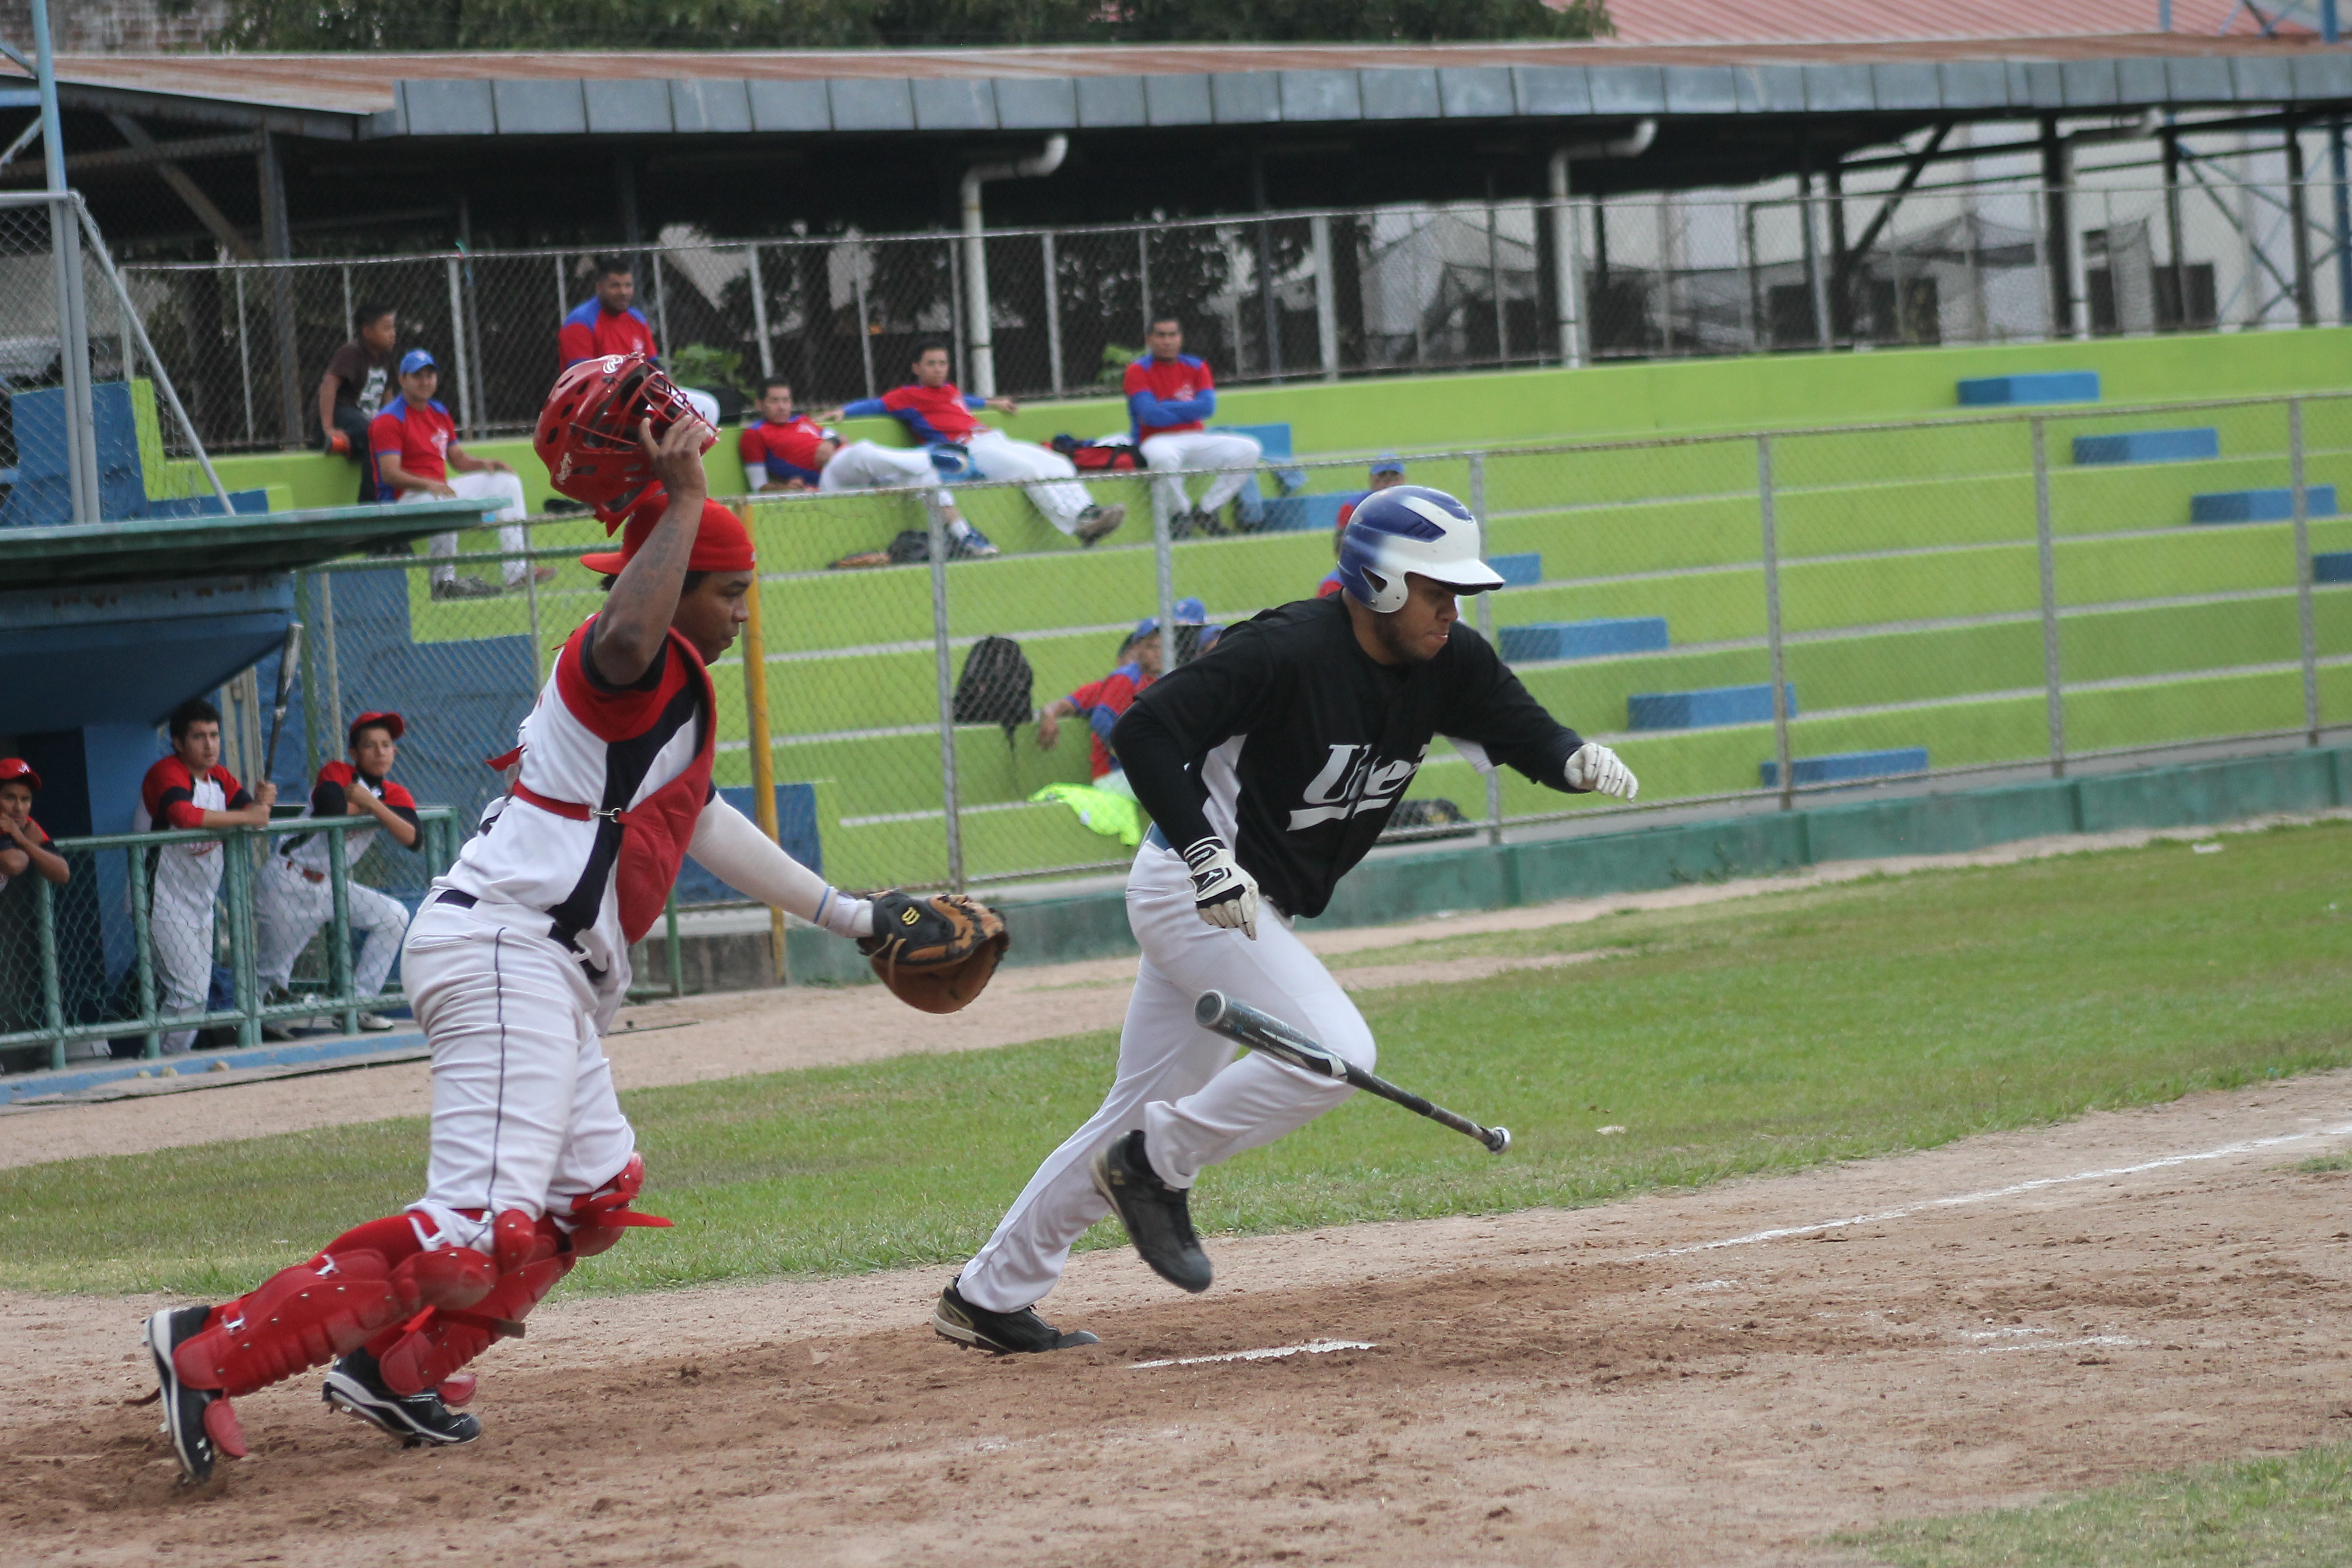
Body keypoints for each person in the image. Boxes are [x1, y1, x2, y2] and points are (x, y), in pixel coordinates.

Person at [143, 355, 1008, 1487]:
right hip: (505, 950)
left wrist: (848, 914)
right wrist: (686, 500)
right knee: (472, 1229)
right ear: (673, 584)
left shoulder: (666, 702)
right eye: (726, 592)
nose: (738, 612)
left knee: (591, 1195)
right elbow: (624, 638)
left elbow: (703, 821)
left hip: (541, 968)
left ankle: (398, 1368)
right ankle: (206, 1349)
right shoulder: (620, 665)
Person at [933, 486, 1639, 1354]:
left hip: (1251, 907)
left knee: (1142, 1104)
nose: (1452, 612)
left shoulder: (1447, 661)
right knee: (1334, 1054)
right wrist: (1205, 853)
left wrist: (1573, 758)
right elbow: (1146, 730)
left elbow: (1520, 727)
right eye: (1437, 591)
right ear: (1379, 581)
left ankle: (988, 1294)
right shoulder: (1285, 649)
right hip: (1196, 890)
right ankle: (1153, 1166)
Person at [829, 341, 1126, 546]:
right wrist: (844, 412)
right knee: (1027, 470)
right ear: (916, 368)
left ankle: (1089, 512)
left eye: (943, 363)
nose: (938, 369)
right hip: (968, 448)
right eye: (931, 364)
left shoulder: (949, 390)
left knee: (1056, 461)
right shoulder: (907, 396)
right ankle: (1077, 525)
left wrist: (989, 403)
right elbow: (876, 405)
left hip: (992, 438)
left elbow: (963, 401)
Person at [253, 712, 422, 1037]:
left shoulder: (394, 793)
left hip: (331, 887)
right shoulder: (337, 772)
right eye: (370, 746)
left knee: (393, 917)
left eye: (386, 745)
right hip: (289, 880)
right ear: (355, 753)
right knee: (271, 977)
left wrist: (372, 805)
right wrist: (380, 811)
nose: (380, 752)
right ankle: (250, 1033)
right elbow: (332, 807)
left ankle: (358, 1006)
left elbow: (413, 838)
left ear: (395, 752)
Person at [135, 700, 278, 1055]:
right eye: (199, 737)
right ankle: (159, 1063)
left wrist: (263, 804)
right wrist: (249, 816)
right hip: (159, 900)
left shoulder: (220, 778)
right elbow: (183, 815)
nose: (210, 744)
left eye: (214, 735)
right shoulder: (166, 771)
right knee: (190, 993)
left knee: (193, 996)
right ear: (178, 742)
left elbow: (251, 813)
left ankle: (165, 1061)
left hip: (201, 904)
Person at [739, 377, 997, 557]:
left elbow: (838, 437)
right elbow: (758, 486)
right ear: (760, 404)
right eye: (774, 401)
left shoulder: (802, 421)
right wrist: (787, 488)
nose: (782, 407)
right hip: (830, 478)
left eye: (786, 400)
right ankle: (929, 456)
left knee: (921, 476)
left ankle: (965, 536)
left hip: (853, 467)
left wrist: (830, 442)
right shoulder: (755, 434)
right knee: (862, 451)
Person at [372, 349, 547, 602]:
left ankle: (517, 572)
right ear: (402, 380)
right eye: (417, 376)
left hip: (437, 490)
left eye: (430, 376)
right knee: (446, 501)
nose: (425, 382)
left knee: (506, 483)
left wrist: (485, 463)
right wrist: (429, 485)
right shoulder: (389, 418)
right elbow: (390, 474)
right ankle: (443, 583)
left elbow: (458, 460)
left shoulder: (438, 411)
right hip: (404, 499)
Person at [1035, 598, 1208, 797]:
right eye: (1152, 647)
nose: (1159, 653)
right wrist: (1135, 756)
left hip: (1142, 771)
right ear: (1137, 649)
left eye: (1163, 647)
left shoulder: (1163, 680)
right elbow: (1101, 721)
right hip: (1116, 775)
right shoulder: (1125, 679)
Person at [1124, 317, 1262, 538]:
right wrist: (1188, 409)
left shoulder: (1197, 366)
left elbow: (1207, 408)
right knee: (1162, 458)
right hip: (1156, 440)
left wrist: (1165, 405)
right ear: (1149, 340)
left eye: (1173, 335)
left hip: (1196, 437)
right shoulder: (1138, 370)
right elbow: (1150, 416)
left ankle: (1207, 511)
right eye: (1161, 335)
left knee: (1249, 449)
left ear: (1181, 339)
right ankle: (1181, 514)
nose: (1167, 341)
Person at [318, 302, 398, 504]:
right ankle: (369, 504)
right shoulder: (352, 353)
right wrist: (328, 428)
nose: (393, 334)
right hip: (341, 412)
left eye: (393, 328)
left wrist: (393, 423)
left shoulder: (386, 357)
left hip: (364, 421)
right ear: (367, 332)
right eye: (386, 329)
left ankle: (355, 448)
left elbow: (388, 394)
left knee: (388, 435)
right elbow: (328, 385)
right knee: (373, 434)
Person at [1317, 456, 1409, 597]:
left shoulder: (1412, 507)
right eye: (1383, 479)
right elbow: (1341, 544)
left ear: (1403, 480)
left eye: (1394, 479)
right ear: (1372, 480)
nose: (1389, 484)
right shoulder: (1353, 507)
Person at [558, 256, 658, 369]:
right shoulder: (580, 322)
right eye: (615, 286)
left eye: (628, 286)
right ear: (599, 288)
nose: (623, 292)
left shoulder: (638, 319)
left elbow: (653, 366)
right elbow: (582, 375)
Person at [0, 757, 68, 895]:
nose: (18, 808)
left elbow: (63, 874)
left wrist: (24, 842)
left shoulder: (25, 823)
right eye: (10, 798)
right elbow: (12, 864)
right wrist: (28, 842)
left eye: (25, 799)